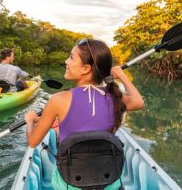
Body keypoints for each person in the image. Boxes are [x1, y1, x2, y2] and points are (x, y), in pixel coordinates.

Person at [24, 38, 144, 189]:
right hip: (108, 181)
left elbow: (33, 142)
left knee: (56, 132)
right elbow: (139, 102)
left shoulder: (58, 100)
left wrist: (30, 120)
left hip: (70, 183)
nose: (66, 61)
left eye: (71, 57)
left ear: (85, 68)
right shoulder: (115, 97)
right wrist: (122, 76)